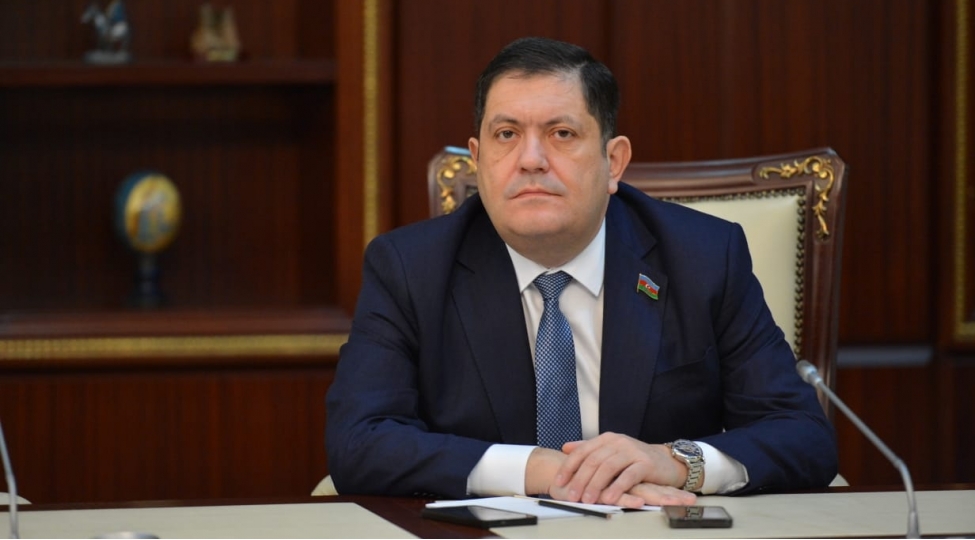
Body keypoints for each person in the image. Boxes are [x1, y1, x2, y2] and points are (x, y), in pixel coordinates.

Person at [325, 36, 837, 507]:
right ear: (478, 160)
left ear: (614, 162)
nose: (530, 159)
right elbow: (358, 442)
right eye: (506, 134)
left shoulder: (702, 257)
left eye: (562, 133)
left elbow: (802, 434)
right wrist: (542, 470)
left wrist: (676, 462)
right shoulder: (409, 268)